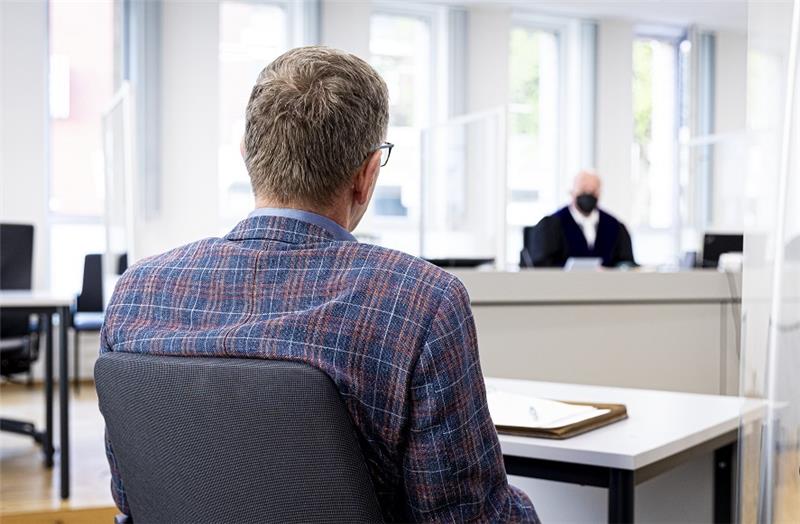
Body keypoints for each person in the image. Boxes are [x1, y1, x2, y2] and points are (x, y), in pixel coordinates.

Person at [100, 46, 539, 523]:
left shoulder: (137, 292)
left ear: (248, 156)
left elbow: (131, 495)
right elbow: (466, 518)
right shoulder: (420, 302)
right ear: (367, 175)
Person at [521, 170, 636, 268]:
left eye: (593, 191)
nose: (588, 194)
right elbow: (541, 265)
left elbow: (626, 264)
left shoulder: (614, 226)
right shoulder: (551, 225)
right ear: (572, 191)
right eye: (583, 190)